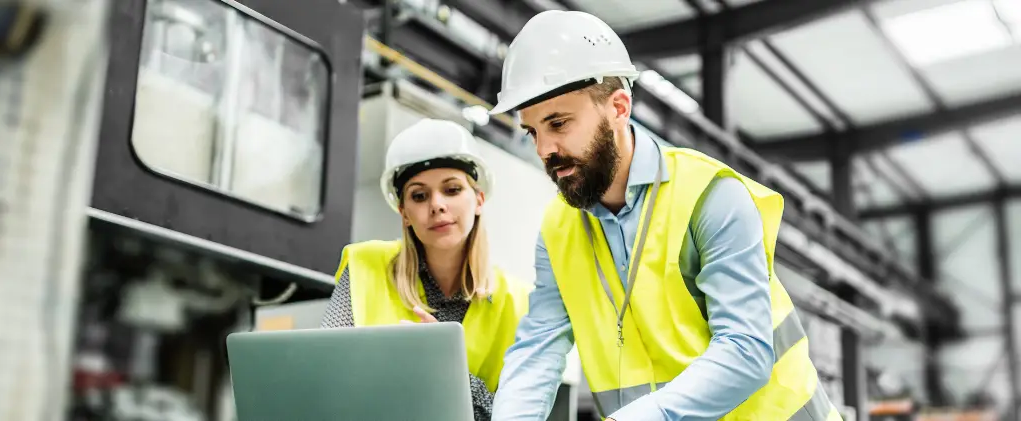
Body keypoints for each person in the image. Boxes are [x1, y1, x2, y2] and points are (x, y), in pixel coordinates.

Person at [488, 10, 842, 421]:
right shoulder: (558, 230)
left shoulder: (709, 196)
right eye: (533, 132)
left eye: (559, 123)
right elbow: (537, 350)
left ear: (619, 108)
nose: (544, 149)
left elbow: (746, 351)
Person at [319, 118, 531, 421]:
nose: (437, 205)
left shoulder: (519, 302)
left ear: (479, 199)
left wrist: (448, 368)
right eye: (419, 195)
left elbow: (517, 413)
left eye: (452, 189)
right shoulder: (364, 266)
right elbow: (327, 375)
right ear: (404, 213)